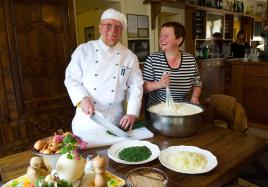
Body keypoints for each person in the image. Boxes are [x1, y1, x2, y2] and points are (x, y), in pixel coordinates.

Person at [64, 8, 143, 138]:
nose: (113, 31)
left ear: (121, 31)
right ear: (100, 27)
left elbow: (136, 86)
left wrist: (132, 112)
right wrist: (82, 99)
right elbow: (71, 79)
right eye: (108, 25)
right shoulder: (84, 50)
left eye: (118, 27)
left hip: (116, 121)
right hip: (87, 120)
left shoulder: (129, 57)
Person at [143, 22, 202, 109]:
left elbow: (197, 82)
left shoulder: (190, 60)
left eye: (166, 35)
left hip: (182, 108)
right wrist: (160, 84)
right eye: (160, 36)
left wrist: (195, 96)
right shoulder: (152, 59)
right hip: (158, 110)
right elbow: (143, 86)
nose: (161, 39)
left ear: (179, 40)